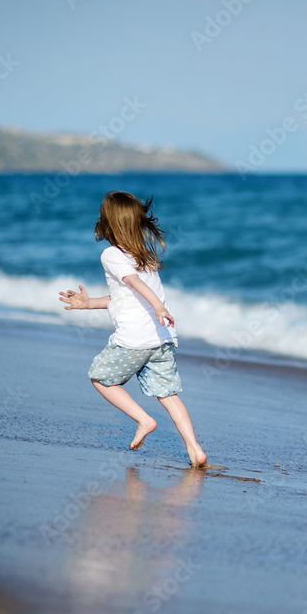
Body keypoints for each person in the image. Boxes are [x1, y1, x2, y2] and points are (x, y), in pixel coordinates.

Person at [59, 191, 207, 467]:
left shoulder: (111, 255)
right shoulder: (144, 257)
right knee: (168, 395)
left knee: (100, 378)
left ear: (108, 223)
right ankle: (194, 448)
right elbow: (125, 297)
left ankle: (143, 419)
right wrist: (89, 303)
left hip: (133, 340)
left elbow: (135, 285)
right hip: (159, 339)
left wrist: (159, 307)